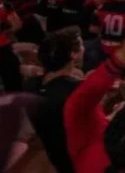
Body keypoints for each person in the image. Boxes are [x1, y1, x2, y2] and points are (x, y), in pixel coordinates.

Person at [29, 27, 83, 173]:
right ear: (73, 55)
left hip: (56, 158)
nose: (83, 49)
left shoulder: (31, 85)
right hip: (79, 159)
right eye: (81, 45)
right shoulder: (76, 89)